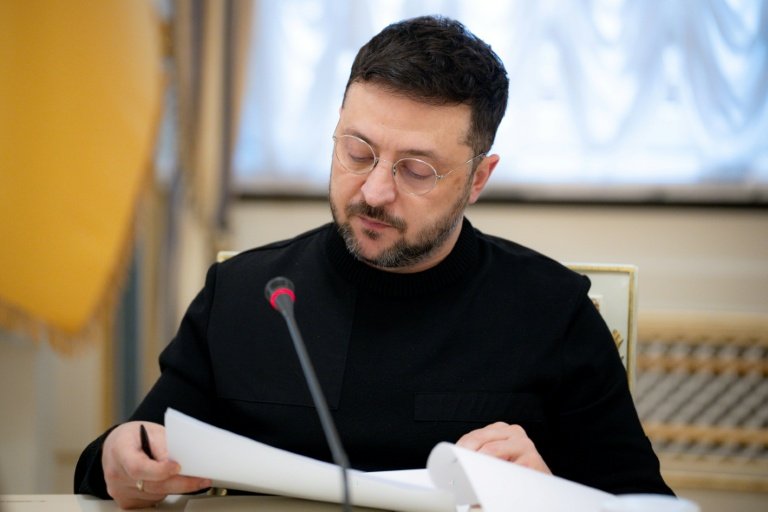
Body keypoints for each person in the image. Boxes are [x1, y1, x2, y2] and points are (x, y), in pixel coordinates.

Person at [74, 15, 672, 509]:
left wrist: (547, 495)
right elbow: (125, 456)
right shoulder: (245, 293)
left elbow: (644, 500)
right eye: (357, 152)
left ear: (478, 179)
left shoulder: (552, 311)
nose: (375, 192)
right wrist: (119, 461)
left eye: (416, 170)